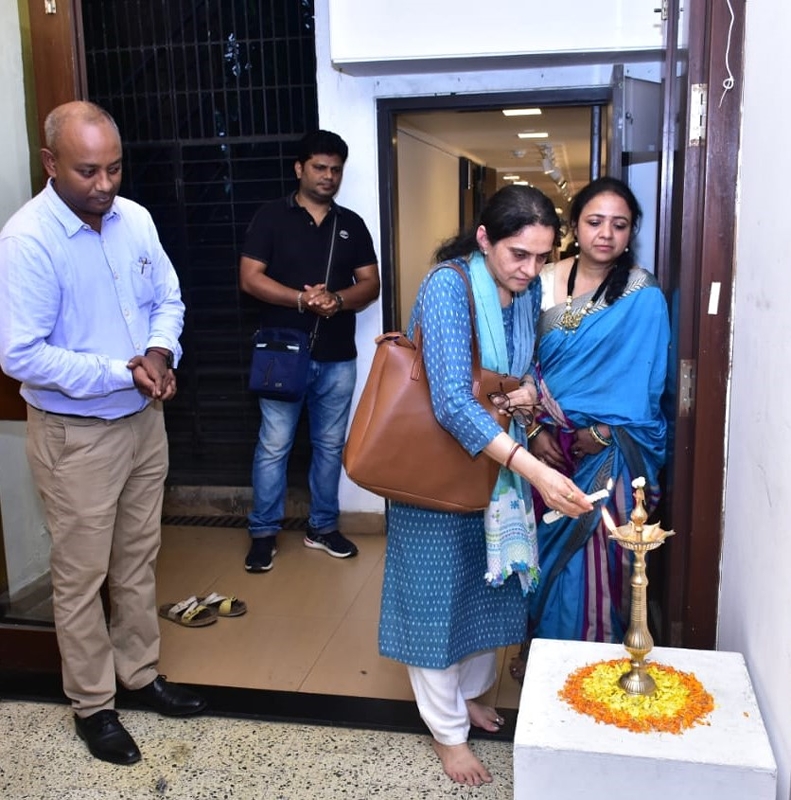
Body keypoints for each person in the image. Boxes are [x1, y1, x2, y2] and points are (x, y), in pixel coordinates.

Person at [0, 101, 205, 765]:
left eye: (114, 168)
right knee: (82, 576)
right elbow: (22, 355)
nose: (105, 184)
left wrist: (160, 353)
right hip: (76, 435)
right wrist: (122, 371)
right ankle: (93, 705)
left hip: (143, 421)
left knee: (138, 558)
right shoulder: (28, 241)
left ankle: (139, 674)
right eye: (87, 171)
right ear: (50, 163)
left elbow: (167, 298)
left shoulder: (135, 220)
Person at [378, 185, 592, 787]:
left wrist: (524, 393)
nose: (529, 269)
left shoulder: (525, 292)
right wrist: (534, 468)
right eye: (518, 254)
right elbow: (450, 399)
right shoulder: (447, 287)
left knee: (485, 586)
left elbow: (516, 370)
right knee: (435, 597)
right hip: (437, 471)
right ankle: (446, 732)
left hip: (494, 467)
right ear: (483, 240)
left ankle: (469, 697)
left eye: (542, 257)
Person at [509, 176, 670, 681]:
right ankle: (543, 652)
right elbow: (519, 363)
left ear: (631, 231)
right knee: (543, 552)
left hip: (613, 453)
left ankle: (595, 661)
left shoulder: (643, 294)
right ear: (574, 225)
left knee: (597, 553)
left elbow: (648, 381)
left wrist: (603, 433)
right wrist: (533, 432)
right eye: (595, 222)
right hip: (546, 446)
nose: (606, 234)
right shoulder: (540, 280)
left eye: (619, 225)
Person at [239, 130, 380, 572]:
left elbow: (371, 284)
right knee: (274, 445)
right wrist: (301, 300)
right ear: (299, 168)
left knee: (330, 446)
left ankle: (322, 527)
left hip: (337, 356)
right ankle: (263, 533)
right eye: (320, 167)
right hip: (280, 353)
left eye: (336, 169)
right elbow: (250, 278)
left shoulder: (351, 224)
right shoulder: (270, 217)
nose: (328, 176)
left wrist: (337, 299)